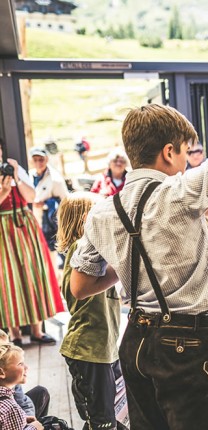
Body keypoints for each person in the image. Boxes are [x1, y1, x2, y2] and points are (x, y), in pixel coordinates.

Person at [69, 102, 208, 430]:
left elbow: (81, 286)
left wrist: (129, 259)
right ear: (169, 151)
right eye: (187, 152)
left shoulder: (103, 211)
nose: (189, 161)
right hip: (187, 344)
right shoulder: (182, 192)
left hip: (136, 340)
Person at [57, 192, 126, 430]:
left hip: (103, 349)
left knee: (111, 415)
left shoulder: (92, 253)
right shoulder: (81, 250)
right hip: (88, 351)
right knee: (102, 420)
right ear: (87, 218)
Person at [0, 143, 64, 347]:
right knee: (9, 279)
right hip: (3, 227)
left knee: (33, 273)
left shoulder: (15, 169)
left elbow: (31, 197)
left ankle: (37, 330)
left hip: (25, 224)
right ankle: (15, 333)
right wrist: (3, 189)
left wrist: (16, 177)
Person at [0, 330, 49, 422]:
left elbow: (23, 402)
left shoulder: (11, 380)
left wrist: (29, 419)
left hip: (20, 417)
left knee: (41, 392)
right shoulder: (9, 407)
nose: (8, 350)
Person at [29, 147, 68, 254]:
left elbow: (65, 199)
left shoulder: (55, 179)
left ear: (46, 159)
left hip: (51, 219)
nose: (38, 163)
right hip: (35, 217)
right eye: (35, 160)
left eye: (41, 159)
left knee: (56, 249)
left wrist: (46, 203)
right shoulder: (29, 175)